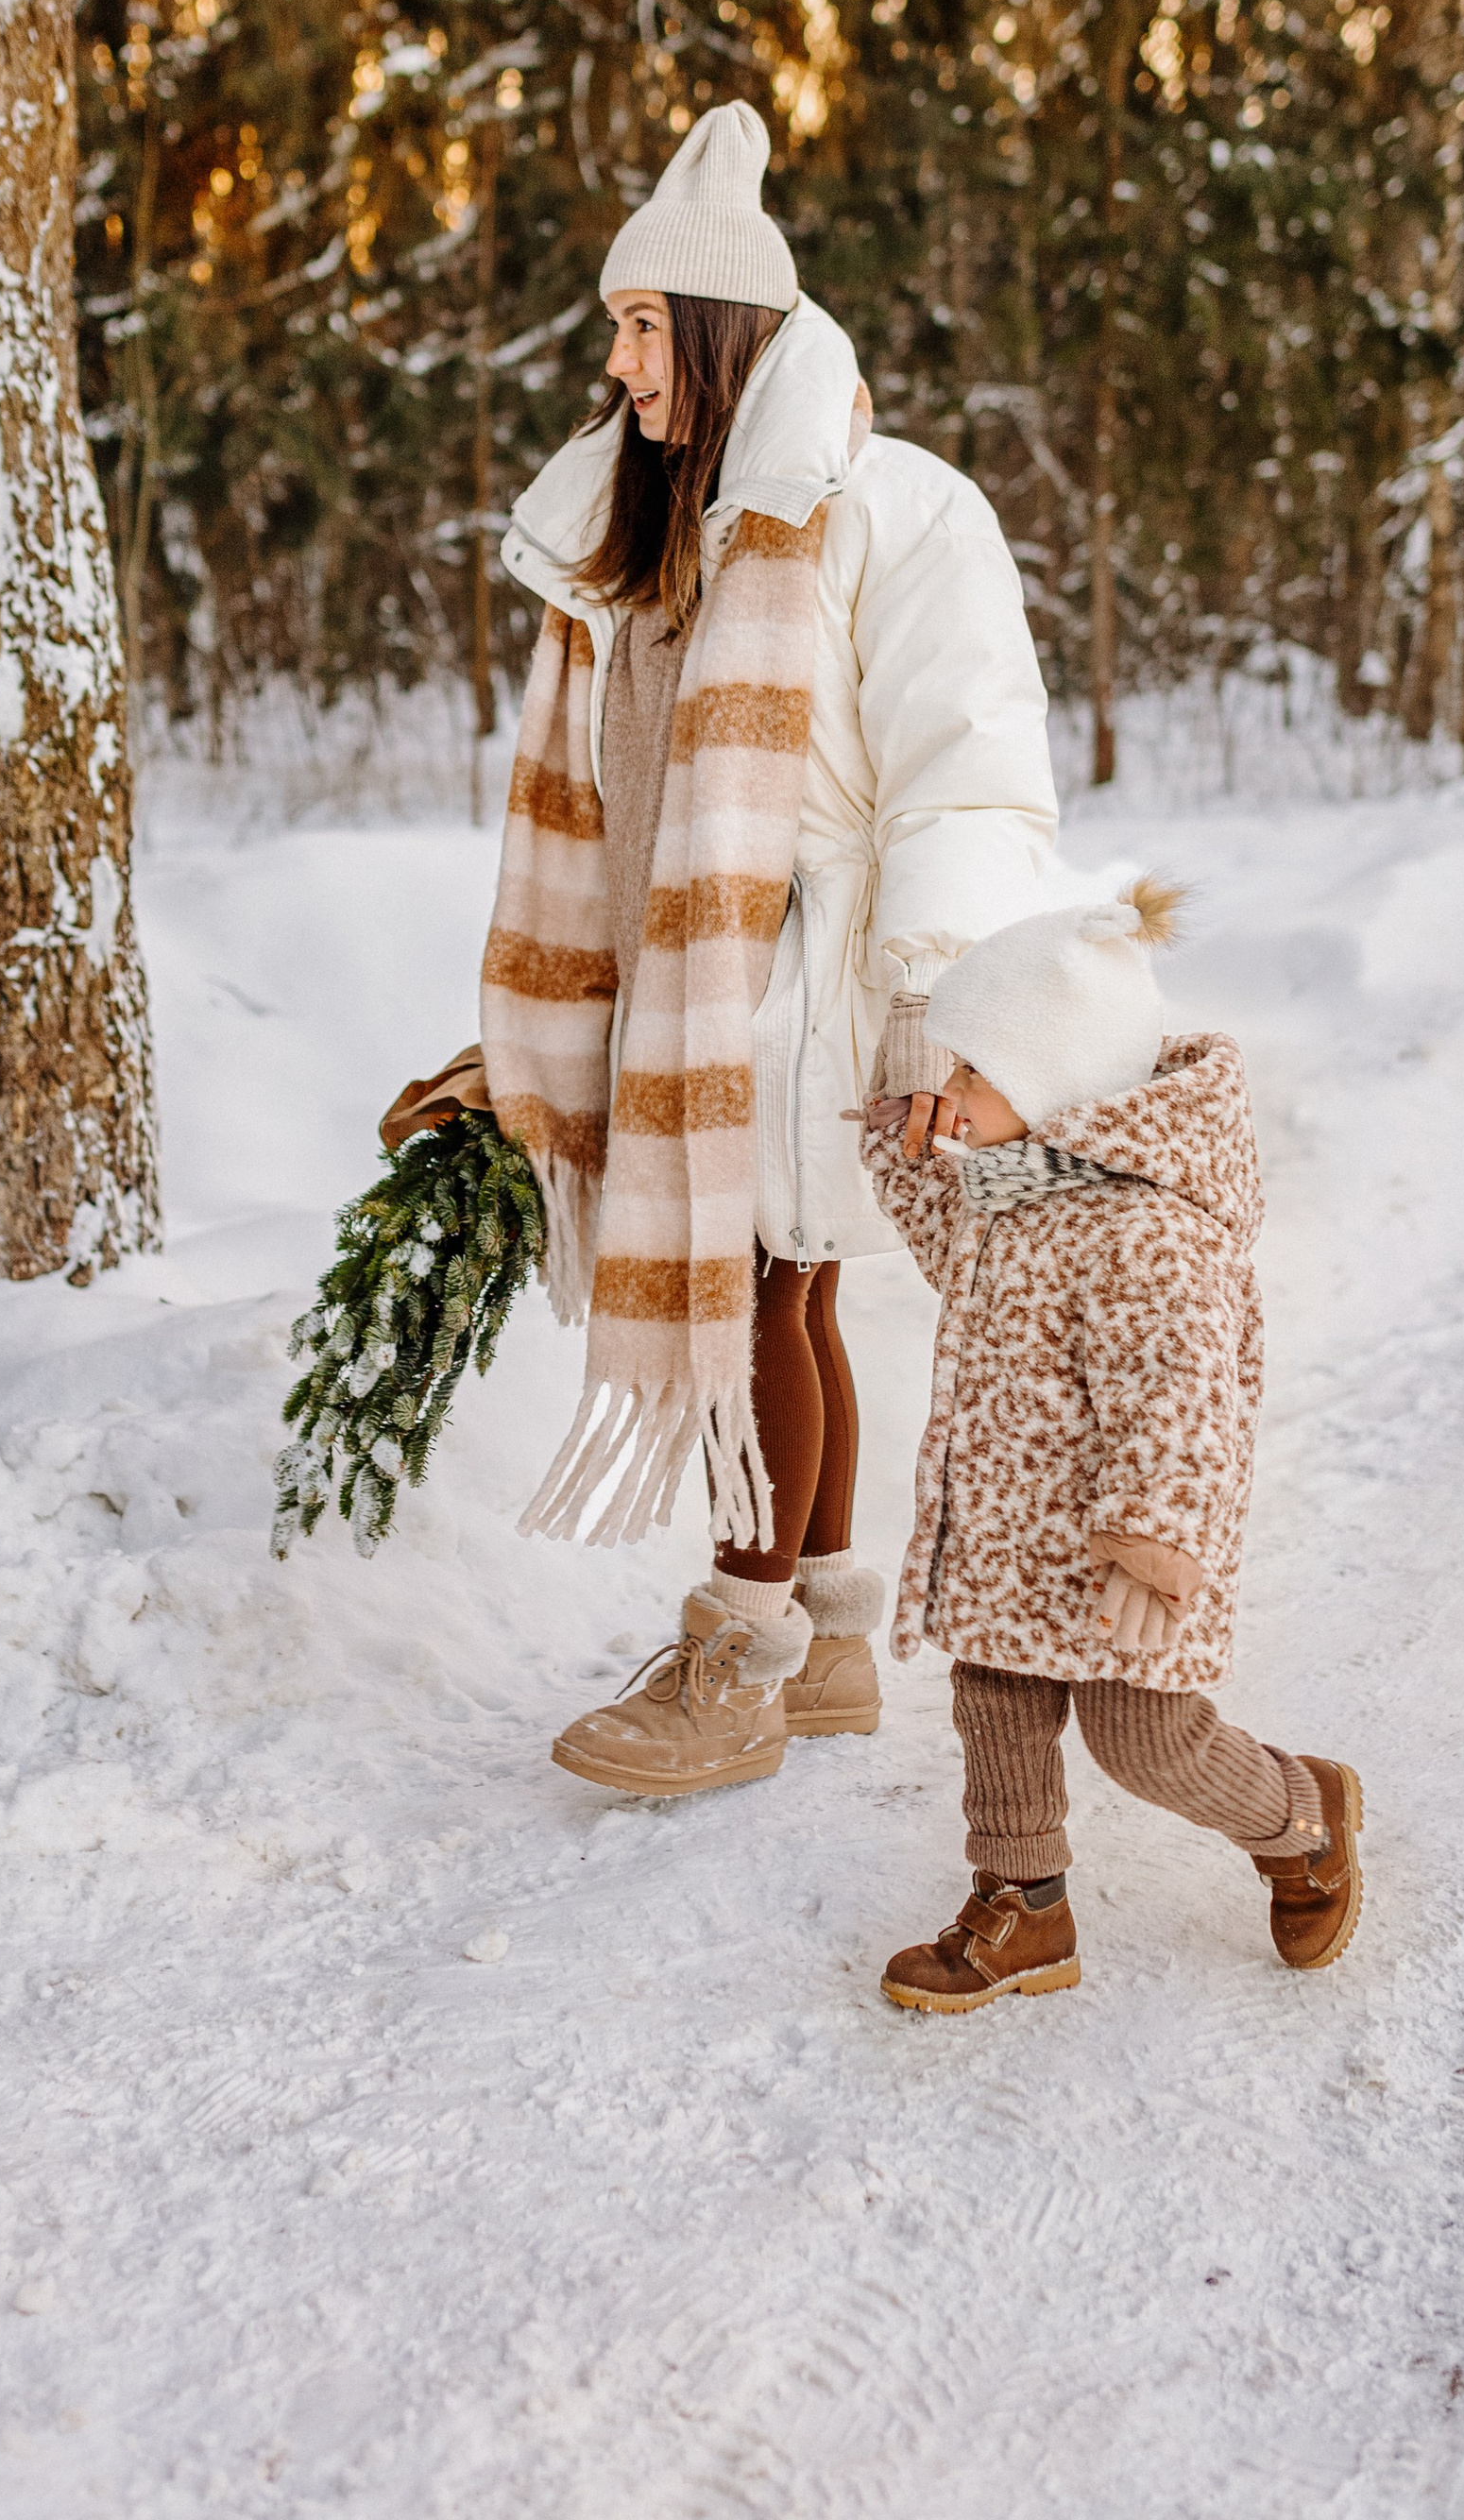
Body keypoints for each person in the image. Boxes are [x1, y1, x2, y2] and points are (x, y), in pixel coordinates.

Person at [476, 98, 1056, 1796]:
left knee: (756, 1301)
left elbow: (971, 754)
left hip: (810, 964)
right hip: (693, 970)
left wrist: (942, 992)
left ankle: (736, 1657)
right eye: (614, 328)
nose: (623, 363)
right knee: (787, 1293)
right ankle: (826, 1646)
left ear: (724, 332)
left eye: (647, 326)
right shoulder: (659, 531)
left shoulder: (888, 509)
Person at [856, 883, 1364, 2011]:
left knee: (1145, 1737)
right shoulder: (1016, 1189)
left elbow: (1183, 1395)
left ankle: (1299, 1814)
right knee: (995, 1699)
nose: (953, 1096)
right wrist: (904, 1129)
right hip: (1003, 1528)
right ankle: (1023, 1903)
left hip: (1119, 1543)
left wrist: (1155, 1532)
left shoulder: (1149, 1225)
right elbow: (945, 1225)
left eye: (971, 1074)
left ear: (1060, 1084)